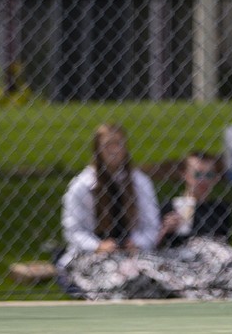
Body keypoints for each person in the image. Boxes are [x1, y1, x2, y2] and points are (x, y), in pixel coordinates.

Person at [57, 123, 161, 295]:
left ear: (125, 148)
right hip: (94, 254)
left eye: (118, 144)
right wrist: (98, 246)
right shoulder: (81, 186)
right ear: (97, 150)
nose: (113, 150)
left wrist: (137, 242)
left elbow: (152, 227)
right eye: (107, 145)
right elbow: (73, 231)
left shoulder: (140, 183)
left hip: (132, 253)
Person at [157, 151, 232, 248]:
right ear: (185, 175)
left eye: (209, 175)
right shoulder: (170, 207)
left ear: (215, 178)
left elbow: (224, 243)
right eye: (198, 174)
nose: (203, 180)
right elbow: (154, 246)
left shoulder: (221, 209)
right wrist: (165, 230)